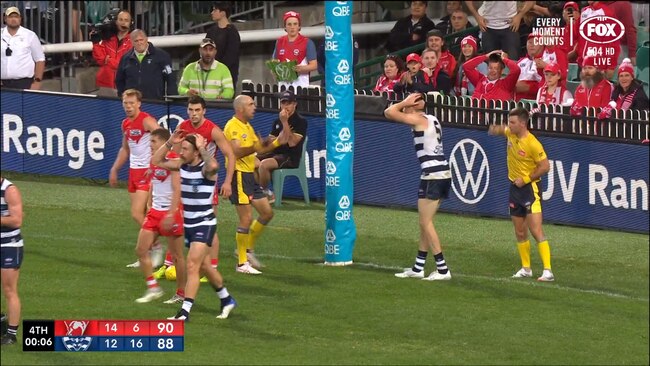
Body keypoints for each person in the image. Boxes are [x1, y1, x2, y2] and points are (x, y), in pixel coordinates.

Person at [154, 132, 237, 322]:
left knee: (192, 264)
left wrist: (202, 148)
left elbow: (215, 165)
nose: (181, 152)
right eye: (181, 148)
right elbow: (156, 160)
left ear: (196, 152)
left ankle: (184, 312)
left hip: (205, 223)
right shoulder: (180, 165)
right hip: (189, 224)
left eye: (185, 149)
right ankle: (226, 299)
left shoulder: (205, 169)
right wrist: (169, 143)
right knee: (205, 266)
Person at [384, 92, 452, 281]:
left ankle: (443, 268)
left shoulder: (418, 119)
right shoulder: (431, 118)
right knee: (425, 221)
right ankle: (418, 266)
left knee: (425, 222)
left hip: (434, 174)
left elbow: (389, 112)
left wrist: (403, 103)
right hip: (437, 173)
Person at [170, 95, 235, 279]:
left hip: (206, 184)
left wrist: (227, 181)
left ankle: (211, 267)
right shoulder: (183, 128)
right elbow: (176, 155)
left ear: (204, 111)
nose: (194, 114)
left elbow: (230, 154)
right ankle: (190, 264)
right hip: (187, 184)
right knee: (185, 223)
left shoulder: (212, 130)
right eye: (191, 110)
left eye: (197, 110)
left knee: (209, 225)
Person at [488, 107, 554, 282]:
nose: (509, 125)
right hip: (514, 188)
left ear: (523, 124)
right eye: (509, 122)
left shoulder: (533, 143)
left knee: (535, 229)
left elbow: (545, 166)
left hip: (530, 189)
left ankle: (548, 270)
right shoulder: (511, 134)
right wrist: (495, 129)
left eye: (513, 122)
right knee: (519, 231)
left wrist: (525, 179)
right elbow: (501, 129)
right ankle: (526, 269)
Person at [224, 95, 286, 274]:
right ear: (240, 108)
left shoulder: (247, 126)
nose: (255, 107)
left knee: (267, 213)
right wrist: (256, 147)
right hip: (239, 175)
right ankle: (242, 263)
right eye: (251, 104)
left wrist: (276, 142)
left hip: (250, 176)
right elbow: (236, 152)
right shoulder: (232, 126)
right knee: (246, 218)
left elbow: (259, 150)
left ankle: (247, 250)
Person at [109, 89, 164, 268]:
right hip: (134, 172)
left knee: (138, 213)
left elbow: (163, 140)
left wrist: (156, 164)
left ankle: (155, 247)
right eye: (125, 103)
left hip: (146, 171)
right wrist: (115, 169)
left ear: (139, 104)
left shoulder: (147, 121)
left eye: (131, 103)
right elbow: (125, 149)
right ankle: (147, 251)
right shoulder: (125, 124)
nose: (128, 106)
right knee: (141, 214)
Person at [134, 128, 187, 305]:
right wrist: (149, 204)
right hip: (155, 213)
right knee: (141, 250)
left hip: (170, 213)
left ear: (163, 142)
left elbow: (177, 189)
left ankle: (181, 294)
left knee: (178, 256)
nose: (150, 145)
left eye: (153, 142)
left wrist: (172, 213)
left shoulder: (172, 160)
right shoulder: (154, 161)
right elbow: (153, 183)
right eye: (149, 142)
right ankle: (153, 288)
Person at [256, 90, 308, 204]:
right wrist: (264, 142)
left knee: (264, 165)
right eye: (283, 103)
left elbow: (292, 142)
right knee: (252, 160)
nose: (285, 106)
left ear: (294, 104)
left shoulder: (301, 121)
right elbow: (271, 141)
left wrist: (285, 122)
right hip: (275, 153)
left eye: (288, 103)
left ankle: (266, 193)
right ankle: (257, 192)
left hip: (290, 156)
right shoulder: (276, 121)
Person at [115, 29, 176, 100]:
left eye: (141, 40)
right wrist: (122, 97)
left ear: (146, 39)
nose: (139, 43)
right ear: (131, 42)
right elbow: (119, 80)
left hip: (155, 102)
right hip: (132, 103)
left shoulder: (162, 56)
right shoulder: (125, 58)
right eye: (136, 41)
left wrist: (172, 99)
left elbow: (170, 79)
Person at [464, 1, 535, 60]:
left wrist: (519, 16)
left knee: (513, 64)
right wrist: (477, 16)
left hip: (510, 27)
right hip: (488, 27)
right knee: (491, 65)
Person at [0, 176, 23, 345]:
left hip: (9, 245)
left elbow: (17, 220)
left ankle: (11, 334)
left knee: (9, 289)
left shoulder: (10, 190)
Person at [0, 6, 45, 90]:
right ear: (5, 19)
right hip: (3, 84)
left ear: (20, 19)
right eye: (10, 17)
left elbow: (40, 59)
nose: (13, 19)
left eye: (16, 17)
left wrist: (37, 81)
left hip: (24, 83)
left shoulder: (30, 35)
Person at [91, 10, 133, 96]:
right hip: (105, 84)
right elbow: (100, 59)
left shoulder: (133, 41)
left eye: (126, 20)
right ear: (116, 22)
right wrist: (95, 43)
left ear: (130, 23)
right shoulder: (108, 38)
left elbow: (124, 64)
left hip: (125, 85)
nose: (123, 23)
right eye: (120, 20)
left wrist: (108, 60)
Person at [272, 11, 317, 89]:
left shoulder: (307, 42)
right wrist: (274, 71)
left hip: (301, 85)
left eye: (295, 24)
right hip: (283, 86)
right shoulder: (279, 41)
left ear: (299, 26)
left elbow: (314, 65)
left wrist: (300, 69)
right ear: (285, 27)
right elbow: (274, 62)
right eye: (289, 24)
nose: (292, 27)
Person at [206, 2, 241, 88]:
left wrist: (219, 70)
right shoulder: (211, 31)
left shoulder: (232, 32)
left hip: (226, 75)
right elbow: (205, 49)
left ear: (223, 13)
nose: (212, 13)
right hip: (210, 74)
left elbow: (231, 56)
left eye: (215, 10)